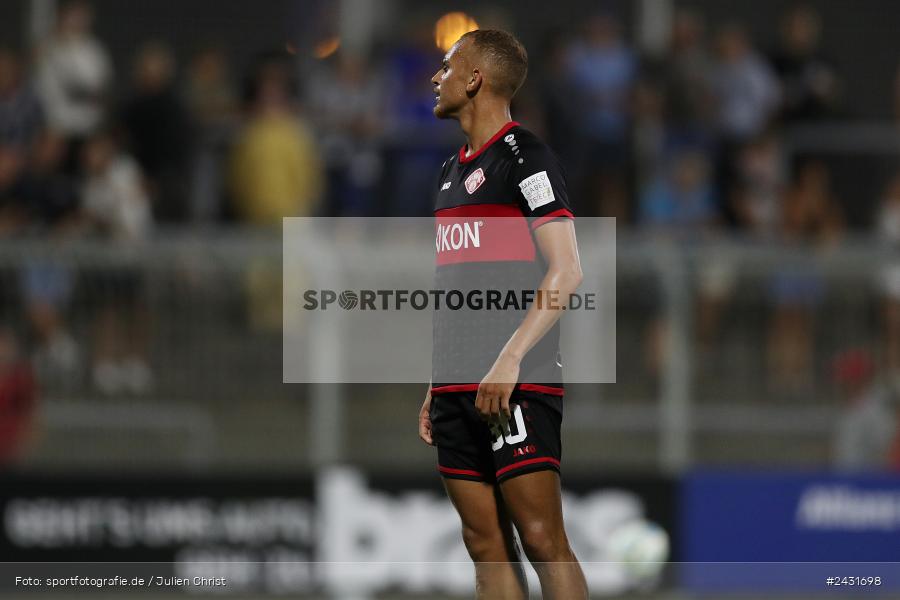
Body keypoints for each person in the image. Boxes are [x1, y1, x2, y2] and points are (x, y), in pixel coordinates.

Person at [418, 30, 587, 599]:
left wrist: (510, 358)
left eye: (447, 66)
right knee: (484, 545)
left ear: (475, 80)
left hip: (517, 381)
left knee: (541, 539)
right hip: (456, 384)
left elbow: (566, 272)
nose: (436, 77)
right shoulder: (447, 173)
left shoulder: (527, 158)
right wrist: (437, 382)